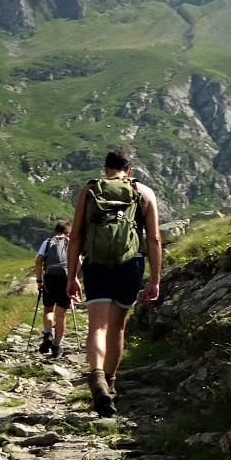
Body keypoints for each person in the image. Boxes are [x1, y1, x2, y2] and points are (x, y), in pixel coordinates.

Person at [65, 148, 162, 416]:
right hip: (131, 264)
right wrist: (155, 279)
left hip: (96, 263)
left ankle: (96, 377)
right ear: (129, 170)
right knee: (117, 327)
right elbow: (153, 239)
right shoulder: (144, 193)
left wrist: (72, 276)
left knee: (97, 326)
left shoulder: (90, 190)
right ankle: (110, 382)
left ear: (106, 169)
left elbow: (75, 237)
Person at [33, 221, 75, 358]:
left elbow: (38, 261)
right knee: (61, 314)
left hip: (49, 279)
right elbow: (78, 262)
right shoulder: (70, 242)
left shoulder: (47, 242)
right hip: (65, 279)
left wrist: (39, 280)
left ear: (55, 231)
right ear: (68, 232)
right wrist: (73, 279)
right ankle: (57, 346)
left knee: (48, 309)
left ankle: (47, 334)